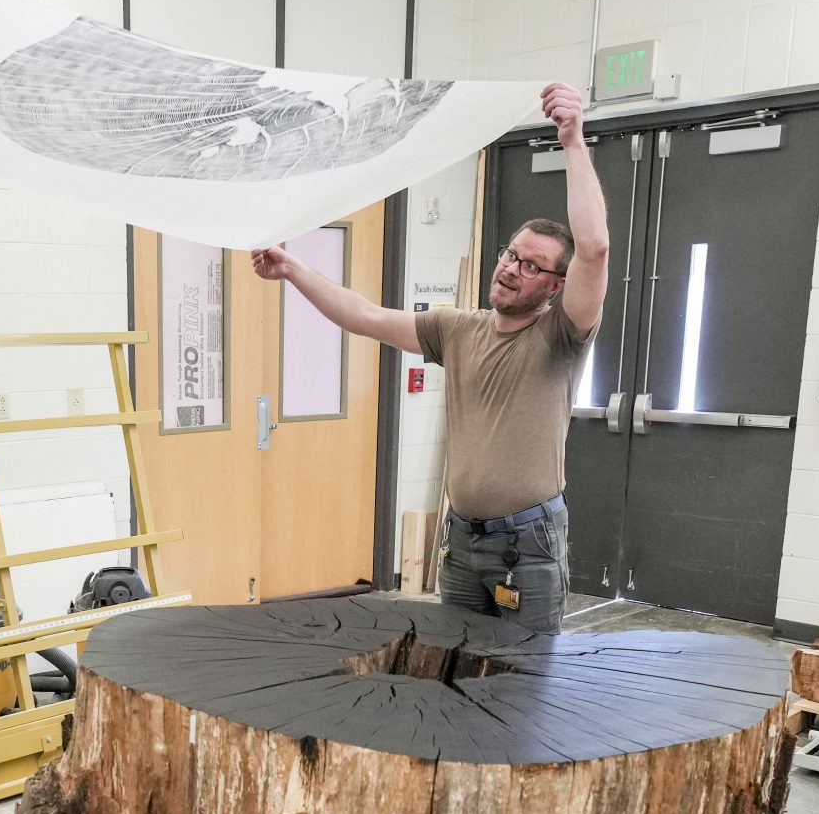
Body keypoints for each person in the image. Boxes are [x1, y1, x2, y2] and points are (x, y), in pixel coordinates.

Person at [251, 82, 610, 634]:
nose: (512, 268)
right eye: (510, 254)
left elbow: (594, 248)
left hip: (529, 543)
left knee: (529, 682)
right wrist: (293, 269)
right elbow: (364, 316)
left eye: (532, 266)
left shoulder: (562, 336)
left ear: (557, 286)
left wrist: (572, 141)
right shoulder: (456, 329)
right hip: (462, 539)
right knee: (455, 672)